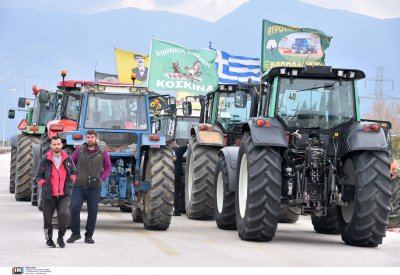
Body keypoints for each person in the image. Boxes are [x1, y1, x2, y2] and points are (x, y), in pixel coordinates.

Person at [67, 130, 112, 244]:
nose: (90, 139)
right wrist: (73, 176)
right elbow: (71, 164)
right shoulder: (79, 150)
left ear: (96, 138)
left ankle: (89, 236)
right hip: (79, 186)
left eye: (92, 137)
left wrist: (101, 179)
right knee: (74, 208)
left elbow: (108, 167)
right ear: (86, 138)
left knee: (92, 212)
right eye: (88, 137)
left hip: (94, 187)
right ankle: (75, 234)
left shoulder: (102, 152)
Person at [35, 136, 77, 248]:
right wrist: (44, 184)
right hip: (49, 194)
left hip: (64, 194)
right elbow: (38, 176)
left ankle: (60, 237)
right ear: (51, 145)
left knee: (64, 215)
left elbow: (74, 172)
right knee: (48, 218)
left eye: (58, 144)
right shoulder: (45, 159)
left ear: (61, 145)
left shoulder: (68, 159)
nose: (57, 146)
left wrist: (71, 181)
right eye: (54, 144)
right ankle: (49, 239)